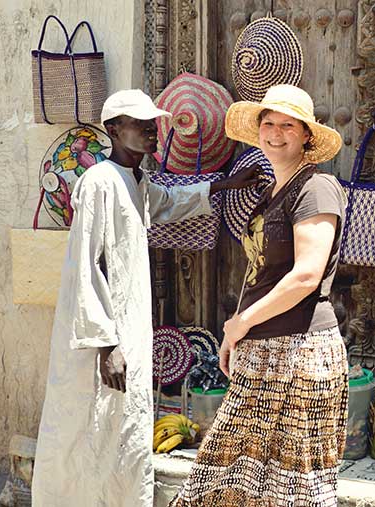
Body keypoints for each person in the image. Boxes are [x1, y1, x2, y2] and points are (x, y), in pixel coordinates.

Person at [31, 89, 258, 507]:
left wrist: (224, 184)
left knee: (118, 426)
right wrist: (106, 344)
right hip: (101, 339)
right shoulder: (99, 182)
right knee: (88, 425)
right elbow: (85, 267)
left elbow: (170, 201)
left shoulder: (135, 180)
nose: (152, 132)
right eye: (141, 125)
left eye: (154, 125)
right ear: (114, 130)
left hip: (125, 328)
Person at [169, 84, 349, 507]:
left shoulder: (316, 188)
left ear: (306, 134)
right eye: (267, 123)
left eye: (287, 124)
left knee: (292, 488)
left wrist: (241, 323)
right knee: (238, 482)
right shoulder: (274, 191)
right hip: (265, 349)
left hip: (298, 352)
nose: (274, 132)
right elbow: (261, 274)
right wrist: (236, 334)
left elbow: (306, 275)